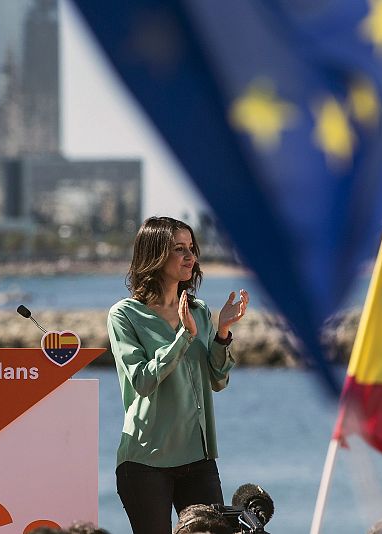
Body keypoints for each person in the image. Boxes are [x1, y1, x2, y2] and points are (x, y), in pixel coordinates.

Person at [108, 216, 249, 534]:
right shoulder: (124, 315)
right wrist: (183, 337)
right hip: (145, 461)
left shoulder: (199, 311)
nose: (190, 256)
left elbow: (218, 380)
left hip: (199, 458)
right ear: (155, 255)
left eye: (191, 248)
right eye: (179, 249)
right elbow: (143, 381)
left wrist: (222, 333)